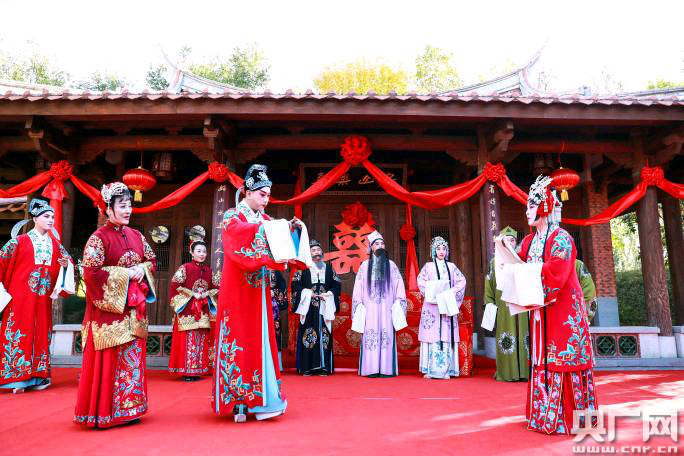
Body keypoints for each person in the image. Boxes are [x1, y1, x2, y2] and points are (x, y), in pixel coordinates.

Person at [212, 164, 299, 423]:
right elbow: (237, 238)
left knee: (260, 338)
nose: (266, 199)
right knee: (238, 337)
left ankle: (263, 398)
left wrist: (288, 228)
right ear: (248, 192)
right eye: (262, 194)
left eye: (268, 195)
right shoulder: (232, 217)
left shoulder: (265, 219)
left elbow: (277, 244)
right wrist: (266, 229)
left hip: (260, 290)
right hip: (237, 288)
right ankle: (239, 400)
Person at [517, 175, 597, 435]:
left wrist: (529, 272)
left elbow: (557, 272)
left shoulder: (561, 238)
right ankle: (543, 416)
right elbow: (517, 266)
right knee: (541, 358)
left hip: (563, 308)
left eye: (531, 206)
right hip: (540, 310)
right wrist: (505, 256)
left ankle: (571, 419)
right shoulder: (528, 242)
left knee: (563, 358)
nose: (527, 211)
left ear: (543, 207)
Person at [74, 182, 157, 428]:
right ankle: (105, 412)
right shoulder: (98, 239)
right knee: (110, 361)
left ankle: (130, 408)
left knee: (132, 359)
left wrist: (142, 269)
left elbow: (151, 260)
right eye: (122, 206)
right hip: (108, 313)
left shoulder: (137, 235)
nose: (128, 210)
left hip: (134, 311)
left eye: (130, 205)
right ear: (108, 209)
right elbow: (91, 274)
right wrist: (125, 274)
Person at [0, 197, 73, 393]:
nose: (50, 220)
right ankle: (16, 379)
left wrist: (66, 266)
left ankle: (38, 377)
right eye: (46, 216)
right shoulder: (18, 242)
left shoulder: (55, 245)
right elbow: (1, 262)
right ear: (35, 218)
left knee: (41, 333)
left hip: (42, 299)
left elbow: (68, 263)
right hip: (19, 298)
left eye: (52, 217)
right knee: (19, 332)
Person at [351, 230, 406, 378]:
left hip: (387, 309)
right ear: (371, 247)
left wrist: (398, 303)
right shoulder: (364, 266)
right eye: (377, 244)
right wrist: (359, 306)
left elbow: (399, 287)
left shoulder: (391, 265)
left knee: (386, 335)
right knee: (371, 335)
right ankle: (371, 369)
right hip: (370, 310)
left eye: (382, 243)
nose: (380, 246)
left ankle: (386, 369)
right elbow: (357, 289)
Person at [417, 236, 466, 379]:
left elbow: (462, 281)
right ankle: (430, 369)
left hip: (446, 304)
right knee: (432, 336)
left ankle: (447, 370)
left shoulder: (452, 267)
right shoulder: (428, 267)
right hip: (431, 307)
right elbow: (420, 281)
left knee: (445, 335)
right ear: (433, 251)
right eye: (438, 249)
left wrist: (450, 292)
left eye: (444, 248)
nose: (441, 251)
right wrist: (433, 291)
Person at [484, 226, 529, 382]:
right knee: (506, 335)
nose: (510, 243)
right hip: (503, 305)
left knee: (523, 335)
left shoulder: (522, 260)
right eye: (507, 240)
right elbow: (489, 284)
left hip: (521, 303)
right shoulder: (494, 262)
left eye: (513, 240)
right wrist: (489, 303)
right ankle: (508, 372)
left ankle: (524, 372)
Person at [168, 238, 218, 380]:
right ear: (192, 252)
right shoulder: (185, 268)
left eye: (204, 251)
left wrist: (207, 293)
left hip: (202, 310)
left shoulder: (209, 271)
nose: (202, 254)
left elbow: (216, 288)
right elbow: (175, 286)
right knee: (188, 340)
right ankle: (186, 371)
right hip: (187, 310)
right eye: (199, 251)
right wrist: (191, 293)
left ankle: (198, 370)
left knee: (200, 340)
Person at [291, 239, 341, 376]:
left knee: (325, 335)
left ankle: (324, 367)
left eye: (318, 250)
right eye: (313, 250)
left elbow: (337, 285)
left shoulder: (329, 268)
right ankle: (307, 367)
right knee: (308, 335)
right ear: (309, 253)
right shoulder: (302, 269)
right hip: (308, 308)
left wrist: (329, 294)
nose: (316, 252)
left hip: (325, 306)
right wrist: (307, 293)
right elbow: (295, 285)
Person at [270, 269, 288, 370]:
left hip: (273, 308)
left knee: (275, 333)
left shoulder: (275, 272)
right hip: (258, 307)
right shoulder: (256, 270)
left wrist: (273, 292)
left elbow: (282, 287)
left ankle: (277, 364)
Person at [575, 259, 598, 325]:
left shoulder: (577, 265)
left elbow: (589, 295)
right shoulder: (577, 264)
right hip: (574, 320)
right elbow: (590, 295)